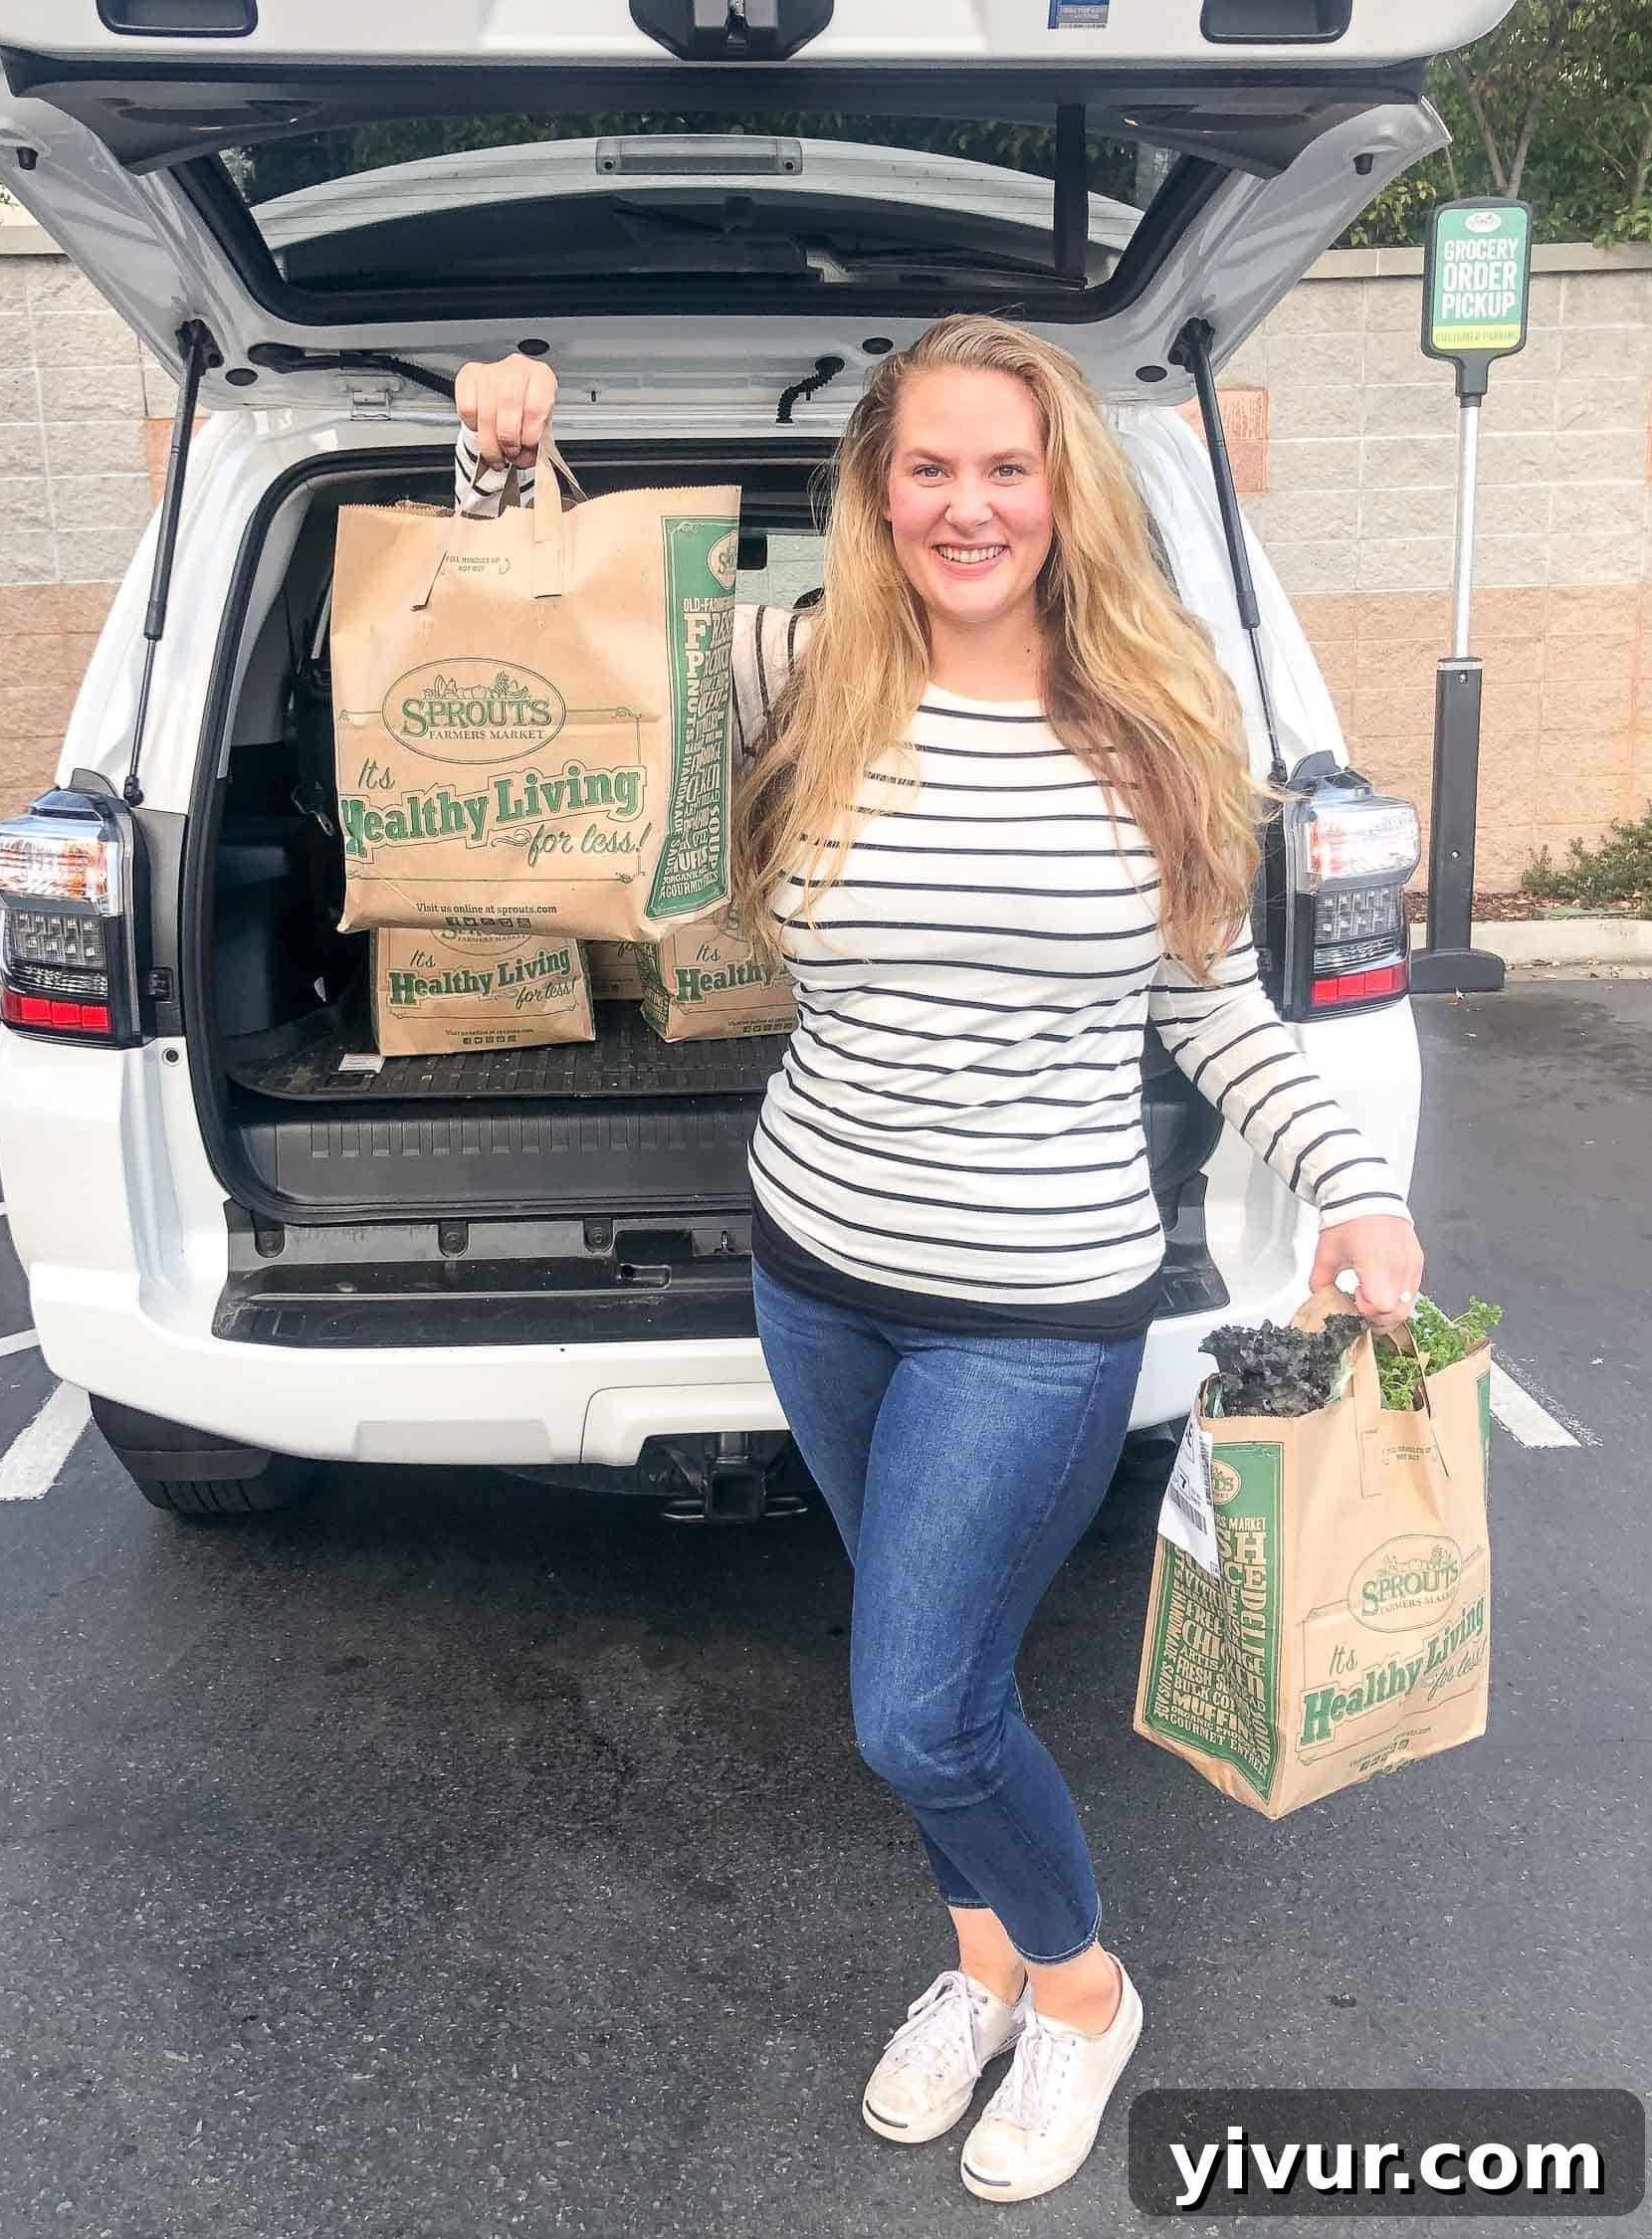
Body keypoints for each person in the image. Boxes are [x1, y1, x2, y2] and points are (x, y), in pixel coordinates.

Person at [452, 319, 1423, 2205]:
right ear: (876, 492)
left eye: (1006, 467)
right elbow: (548, 647)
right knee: (944, 1667)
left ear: (1066, 489)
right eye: (928, 469)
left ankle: (1080, 1988)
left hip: (1039, 1307)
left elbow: (1218, 1013)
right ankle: (984, 1963)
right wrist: (500, 459)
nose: (965, 504)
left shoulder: (1160, 716)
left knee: (914, 1701)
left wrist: (1354, 1185)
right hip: (815, 1265)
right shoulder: (803, 667)